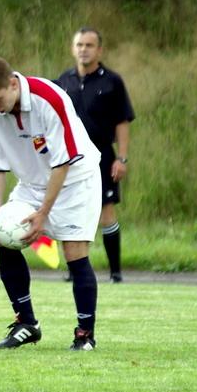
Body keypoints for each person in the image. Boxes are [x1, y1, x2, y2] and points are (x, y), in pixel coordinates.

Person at [0, 56, 101, 351]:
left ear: (13, 84)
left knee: (74, 251)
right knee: (5, 240)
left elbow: (62, 162)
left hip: (75, 180)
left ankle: (85, 335)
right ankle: (27, 323)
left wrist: (43, 213)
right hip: (31, 184)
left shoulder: (50, 99)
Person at [56, 28, 135, 283]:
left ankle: (115, 273)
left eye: (89, 45)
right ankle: (74, 271)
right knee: (70, 214)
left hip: (101, 156)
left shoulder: (112, 81)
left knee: (106, 213)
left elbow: (122, 121)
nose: (83, 49)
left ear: (99, 50)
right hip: (69, 158)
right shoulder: (63, 81)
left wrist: (121, 158)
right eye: (79, 44)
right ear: (72, 48)